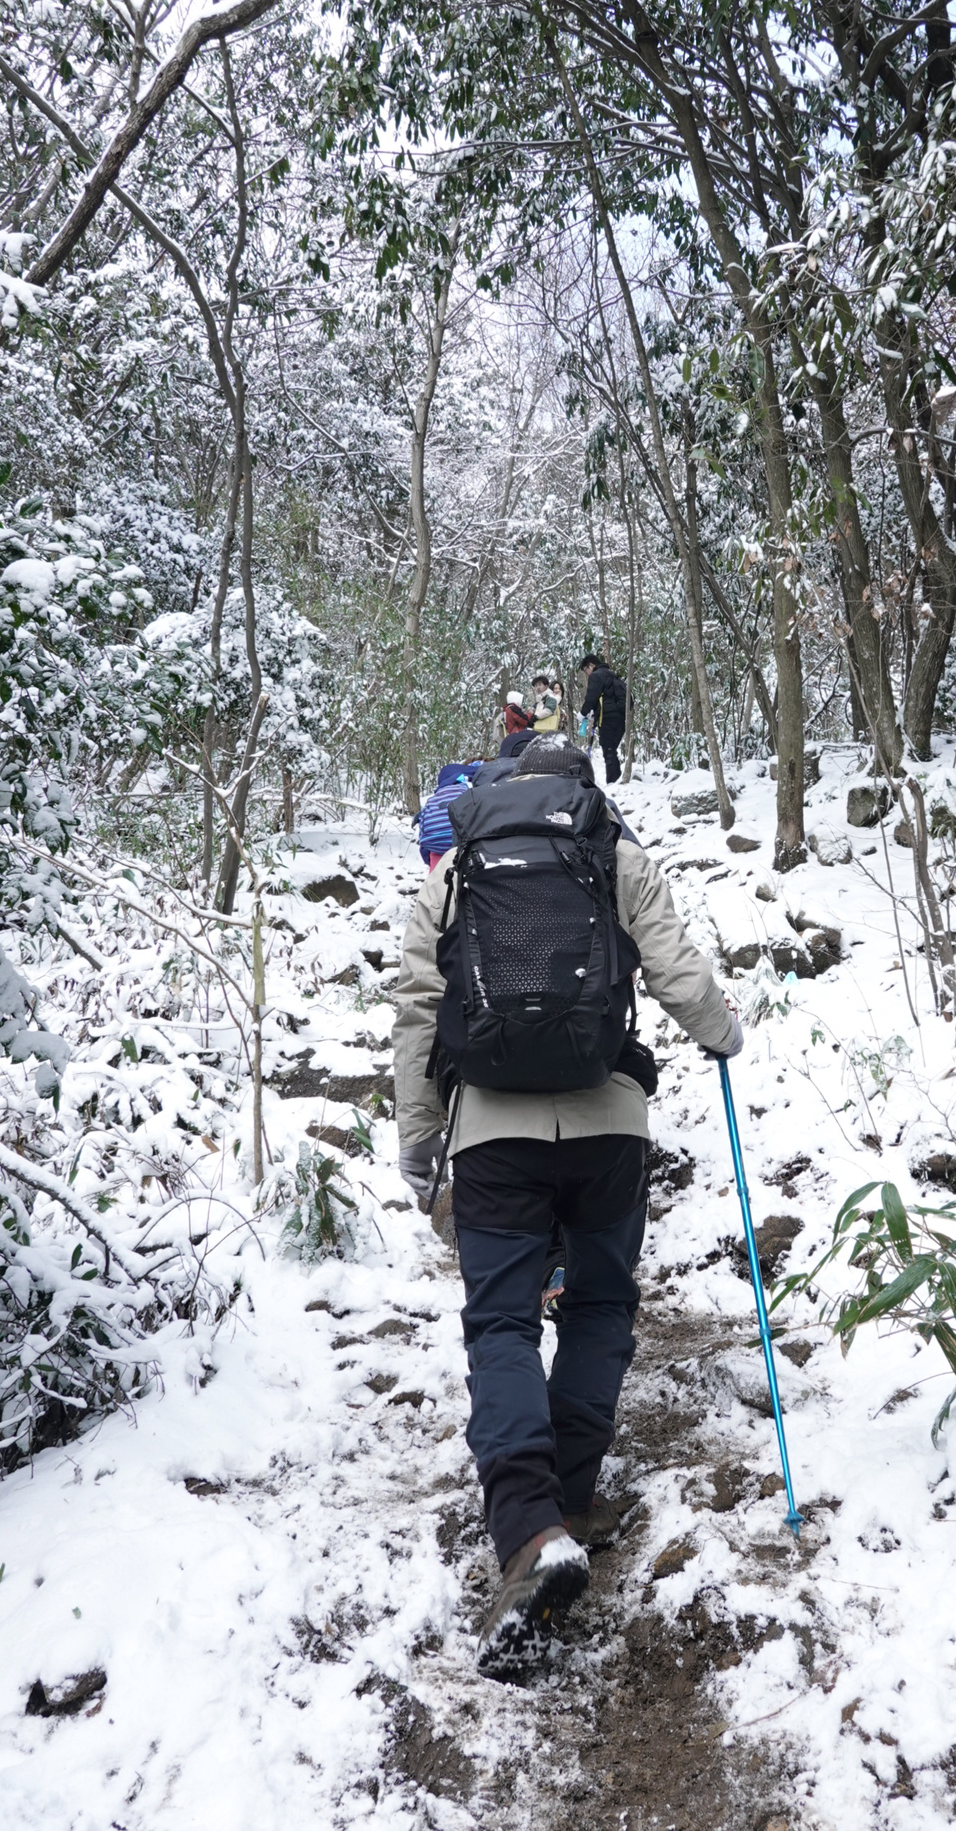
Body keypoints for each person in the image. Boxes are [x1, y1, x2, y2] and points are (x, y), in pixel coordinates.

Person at [393, 735, 742, 1679]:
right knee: (598, 1305)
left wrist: (420, 1142)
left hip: (490, 1134)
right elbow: (678, 974)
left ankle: (530, 1528)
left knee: (501, 1324)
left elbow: (419, 1008)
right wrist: (724, 1036)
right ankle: (571, 1500)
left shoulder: (457, 869)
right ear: (583, 787)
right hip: (606, 1126)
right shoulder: (615, 852)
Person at [578, 653, 628, 784]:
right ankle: (615, 780)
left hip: (608, 718)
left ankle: (613, 782)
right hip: (620, 717)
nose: (587, 674)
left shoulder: (596, 675)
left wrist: (583, 713)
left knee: (608, 750)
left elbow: (592, 696)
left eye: (586, 670)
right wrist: (594, 713)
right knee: (611, 749)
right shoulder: (611, 675)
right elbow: (605, 697)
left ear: (591, 665)